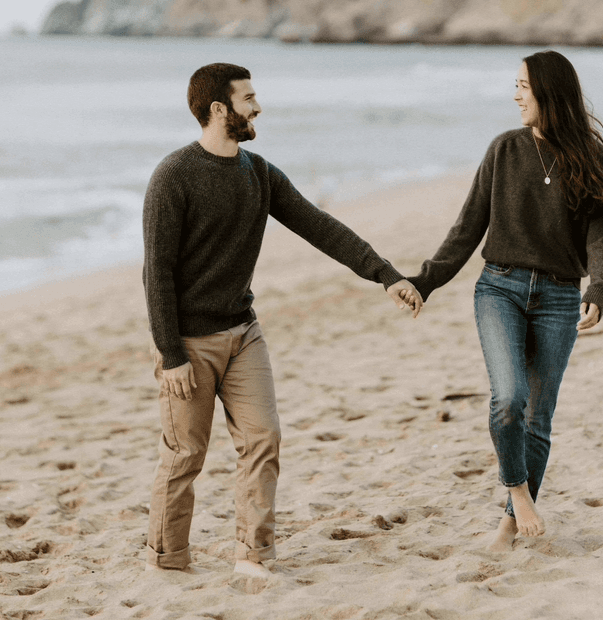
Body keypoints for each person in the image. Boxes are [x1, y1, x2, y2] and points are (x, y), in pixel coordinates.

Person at [142, 62, 422, 578]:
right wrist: (172, 354)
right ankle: (168, 561)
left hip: (243, 332)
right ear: (219, 109)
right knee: (185, 456)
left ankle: (253, 555)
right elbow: (155, 272)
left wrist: (387, 275)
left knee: (264, 439)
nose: (258, 106)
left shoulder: (259, 173)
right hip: (188, 340)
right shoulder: (173, 176)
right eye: (248, 98)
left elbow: (320, 226)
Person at [404, 50, 603, 551]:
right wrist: (425, 281)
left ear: (549, 91)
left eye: (523, 85)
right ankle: (519, 493)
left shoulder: (592, 156)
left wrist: (600, 290)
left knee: (537, 418)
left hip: (561, 297)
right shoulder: (504, 149)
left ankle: (507, 524)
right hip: (498, 287)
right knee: (508, 400)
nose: (515, 94)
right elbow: (468, 226)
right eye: (515, 84)